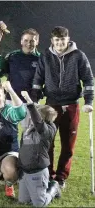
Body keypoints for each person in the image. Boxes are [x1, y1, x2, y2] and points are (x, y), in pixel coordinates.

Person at [31, 26, 93, 188]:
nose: (60, 43)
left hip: (72, 104)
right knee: (48, 143)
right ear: (52, 41)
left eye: (62, 40)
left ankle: (61, 177)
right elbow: (38, 79)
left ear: (68, 39)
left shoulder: (79, 56)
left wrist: (88, 102)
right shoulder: (46, 55)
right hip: (51, 105)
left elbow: (88, 79)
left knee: (68, 144)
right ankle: (49, 174)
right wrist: (35, 100)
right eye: (57, 40)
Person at [17, 91, 62, 206]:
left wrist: (30, 102)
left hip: (37, 172)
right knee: (23, 201)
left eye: (35, 115)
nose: (31, 117)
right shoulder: (28, 128)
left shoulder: (47, 130)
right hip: (25, 172)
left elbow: (38, 122)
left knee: (39, 204)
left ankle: (53, 188)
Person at [4, 28, 40, 133]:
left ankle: (25, 150)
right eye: (26, 40)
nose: (29, 43)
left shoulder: (41, 59)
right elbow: (2, 72)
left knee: (28, 131)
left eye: (32, 41)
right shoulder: (12, 56)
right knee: (8, 130)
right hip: (10, 99)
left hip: (30, 101)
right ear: (21, 41)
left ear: (37, 41)